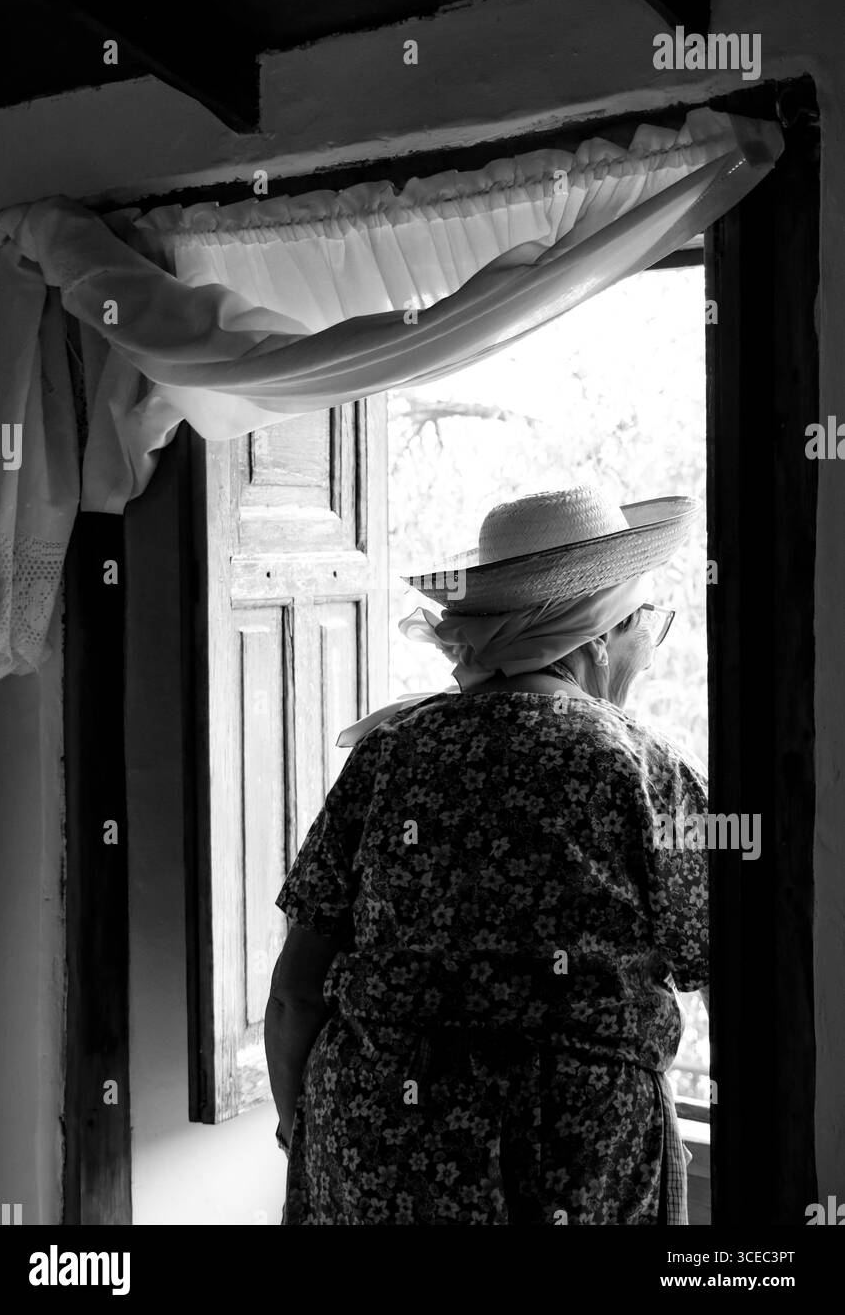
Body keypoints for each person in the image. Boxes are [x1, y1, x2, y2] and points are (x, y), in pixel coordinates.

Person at [265, 484, 709, 1225]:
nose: (651, 653)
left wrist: (305, 1132)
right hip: (571, 1153)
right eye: (648, 625)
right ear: (599, 633)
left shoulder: (389, 754)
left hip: (375, 1138)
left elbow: (295, 991)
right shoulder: (644, 770)